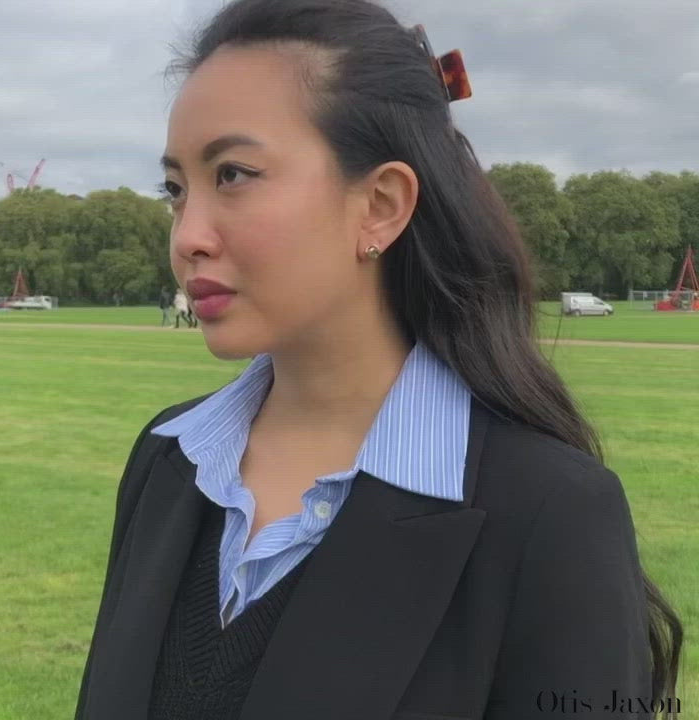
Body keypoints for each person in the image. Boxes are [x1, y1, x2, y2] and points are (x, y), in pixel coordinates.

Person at [74, 1, 683, 718]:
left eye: (232, 174)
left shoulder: (550, 512)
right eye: (176, 190)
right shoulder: (167, 457)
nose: (187, 236)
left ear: (382, 205)